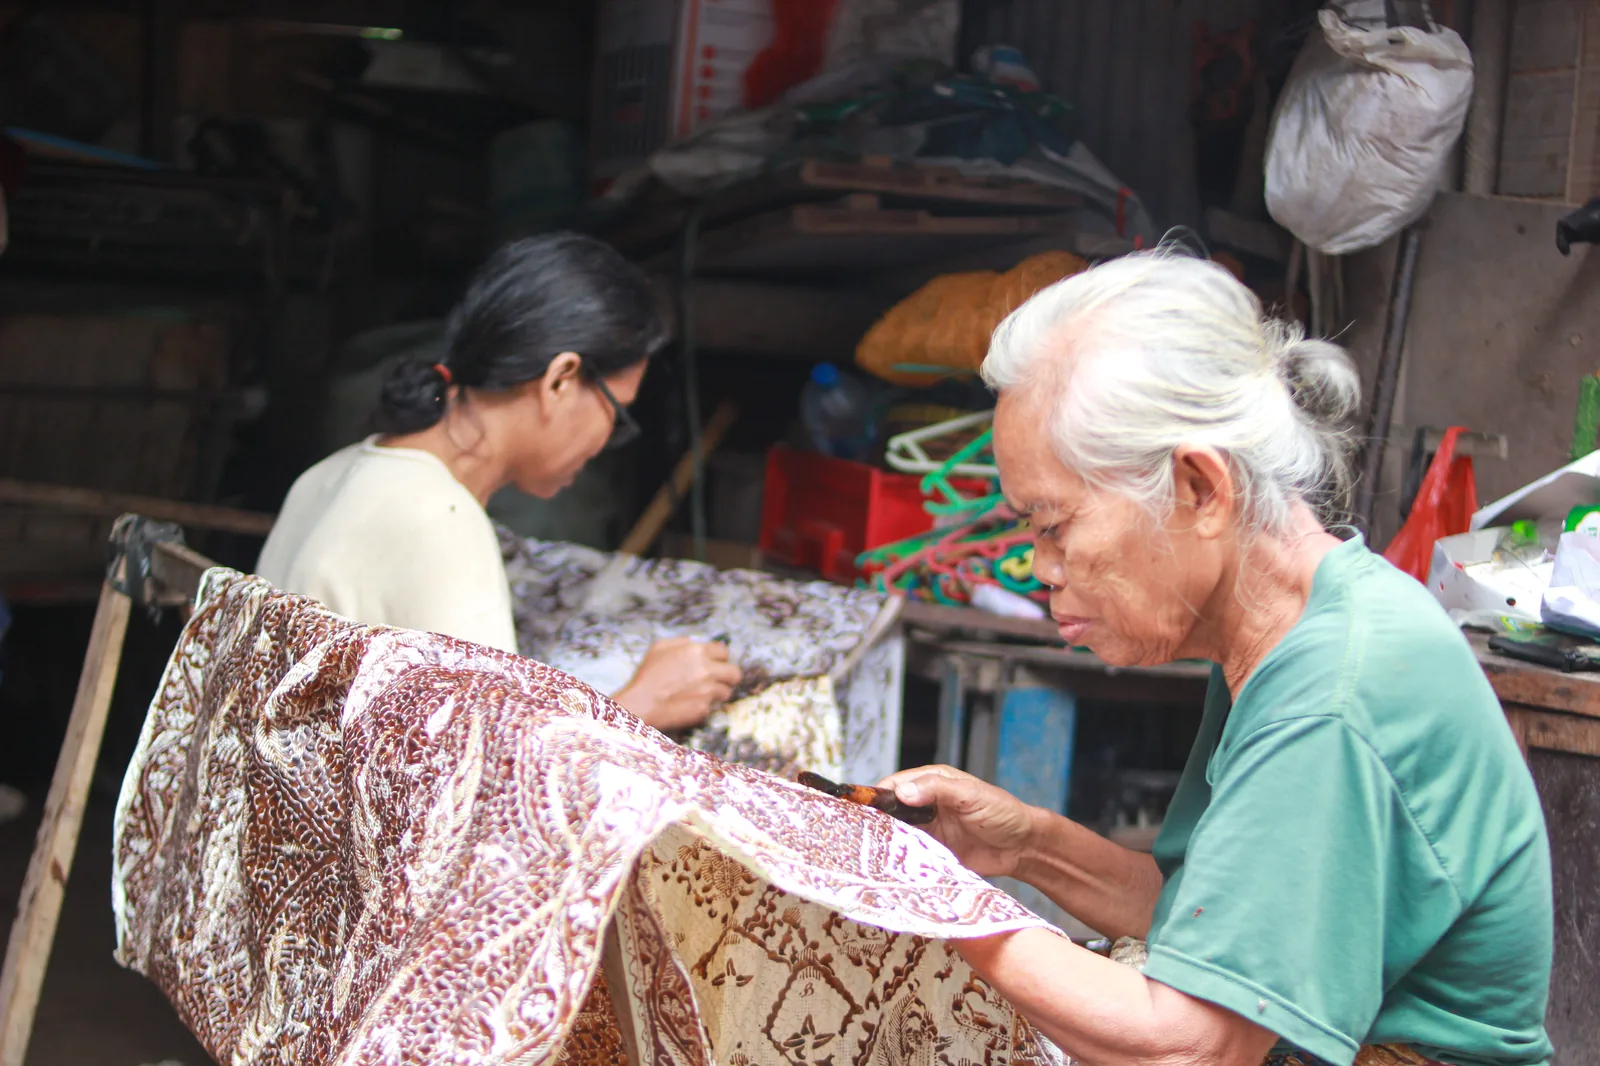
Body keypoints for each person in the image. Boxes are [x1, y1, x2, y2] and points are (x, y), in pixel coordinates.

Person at [882, 250, 1553, 1066]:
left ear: (1201, 487)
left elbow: (1193, 1044)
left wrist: (938, 902)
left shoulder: (1334, 692)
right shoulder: (1293, 633)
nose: (1039, 567)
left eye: (1054, 525)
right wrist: (1023, 847)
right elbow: (1213, 926)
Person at [258, 233, 741, 731]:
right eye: (616, 414)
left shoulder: (332, 471)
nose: (604, 443)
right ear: (559, 381)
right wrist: (641, 704)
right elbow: (488, 775)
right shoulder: (440, 520)